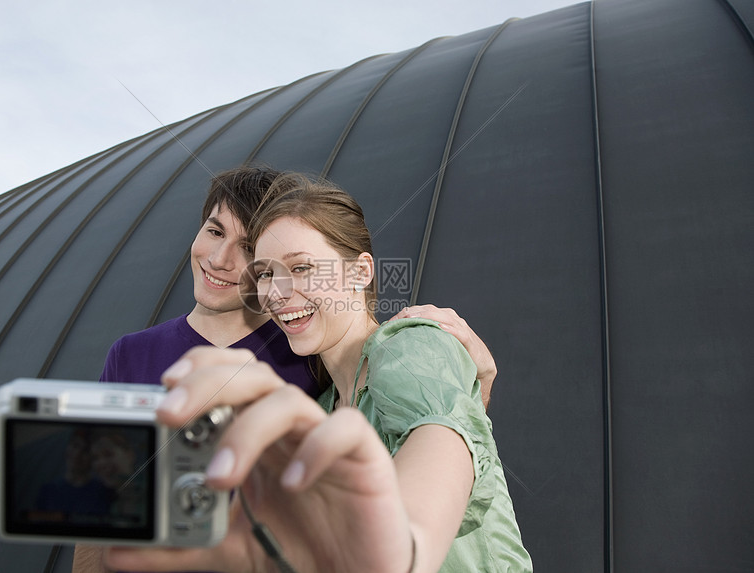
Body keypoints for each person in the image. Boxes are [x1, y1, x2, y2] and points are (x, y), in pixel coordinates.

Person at [73, 166, 500, 572]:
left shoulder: (403, 346)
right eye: (267, 272)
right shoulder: (331, 395)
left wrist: (405, 546)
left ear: (361, 271)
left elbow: (441, 435)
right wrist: (477, 390)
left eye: (301, 268)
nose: (279, 291)